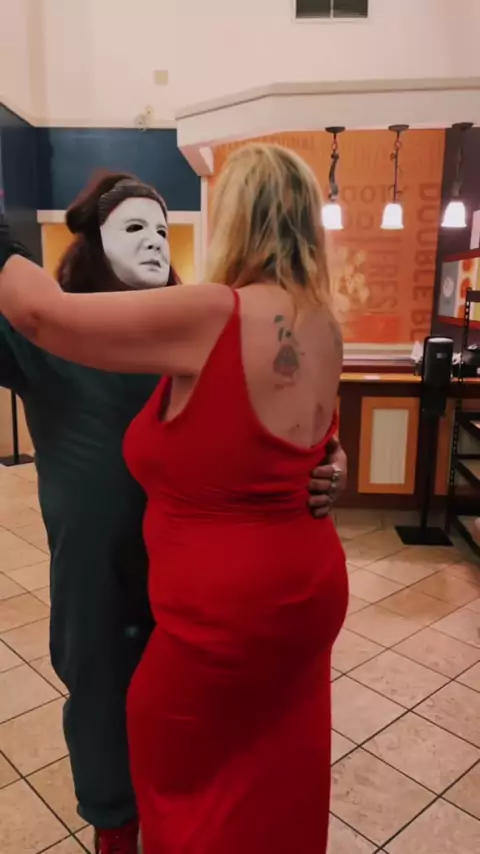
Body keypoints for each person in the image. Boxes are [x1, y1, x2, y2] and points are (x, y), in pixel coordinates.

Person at [0, 162, 346, 854]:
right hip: (219, 587)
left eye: (164, 227)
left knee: (189, 770)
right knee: (245, 756)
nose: (156, 241)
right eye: (133, 227)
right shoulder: (315, 320)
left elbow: (42, 312)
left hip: (215, 606)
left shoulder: (209, 314)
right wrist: (329, 457)